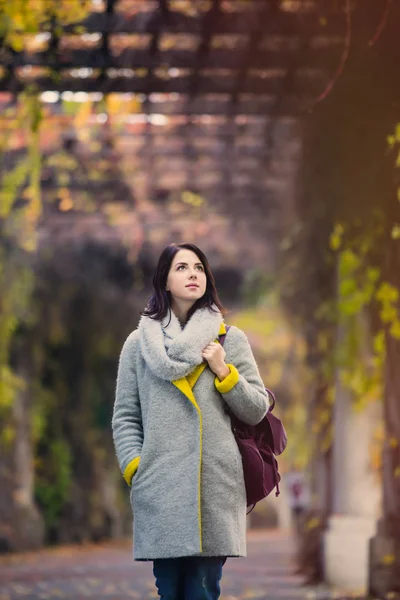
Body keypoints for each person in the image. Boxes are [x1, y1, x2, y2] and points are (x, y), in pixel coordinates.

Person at [112, 242, 270, 600]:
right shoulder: (138, 346)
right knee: (168, 591)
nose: (192, 274)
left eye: (198, 267)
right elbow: (125, 417)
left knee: (203, 590)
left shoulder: (230, 340)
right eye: (181, 267)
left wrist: (223, 371)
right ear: (164, 281)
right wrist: (136, 467)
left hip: (212, 487)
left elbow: (257, 409)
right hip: (160, 486)